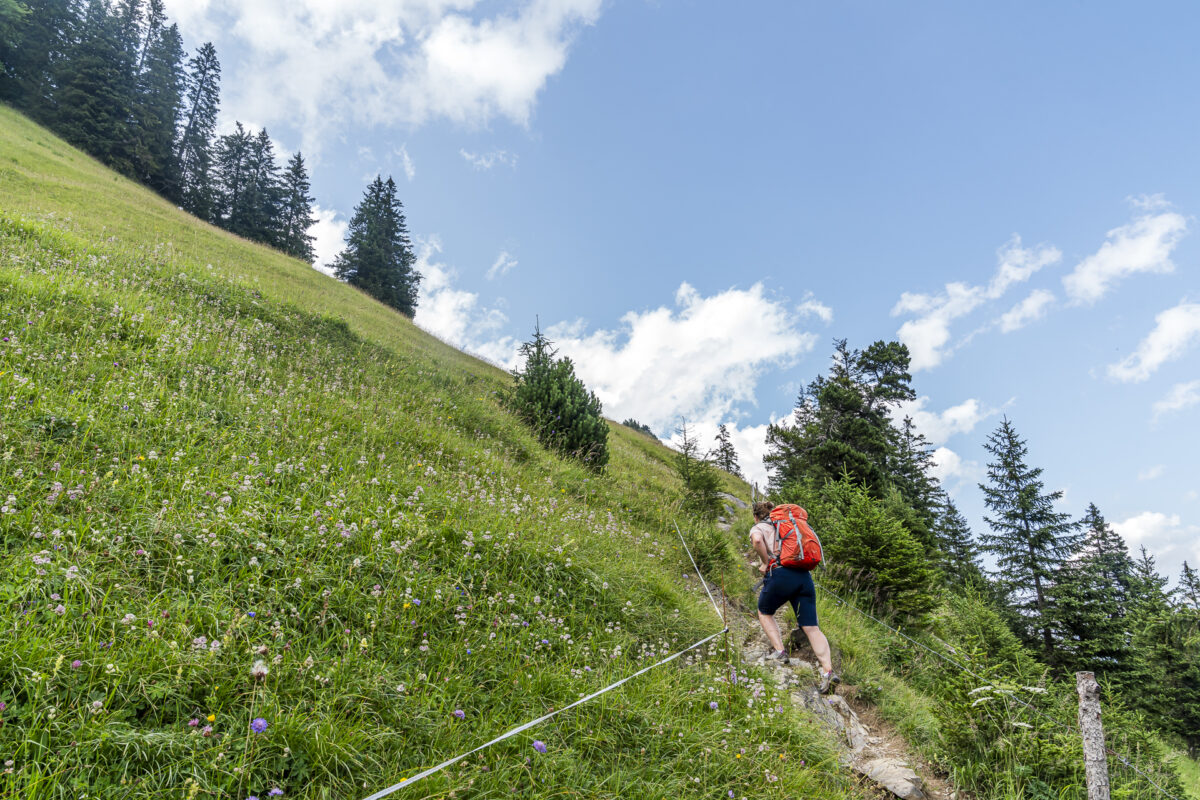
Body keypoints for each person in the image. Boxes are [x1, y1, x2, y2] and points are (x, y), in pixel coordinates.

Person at [749, 500, 840, 693]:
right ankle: (828, 671)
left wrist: (766, 563)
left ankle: (780, 651)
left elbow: (757, 541)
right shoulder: (789, 526)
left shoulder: (759, 526)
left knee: (764, 612)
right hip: (804, 577)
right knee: (811, 627)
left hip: (781, 573)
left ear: (756, 516)